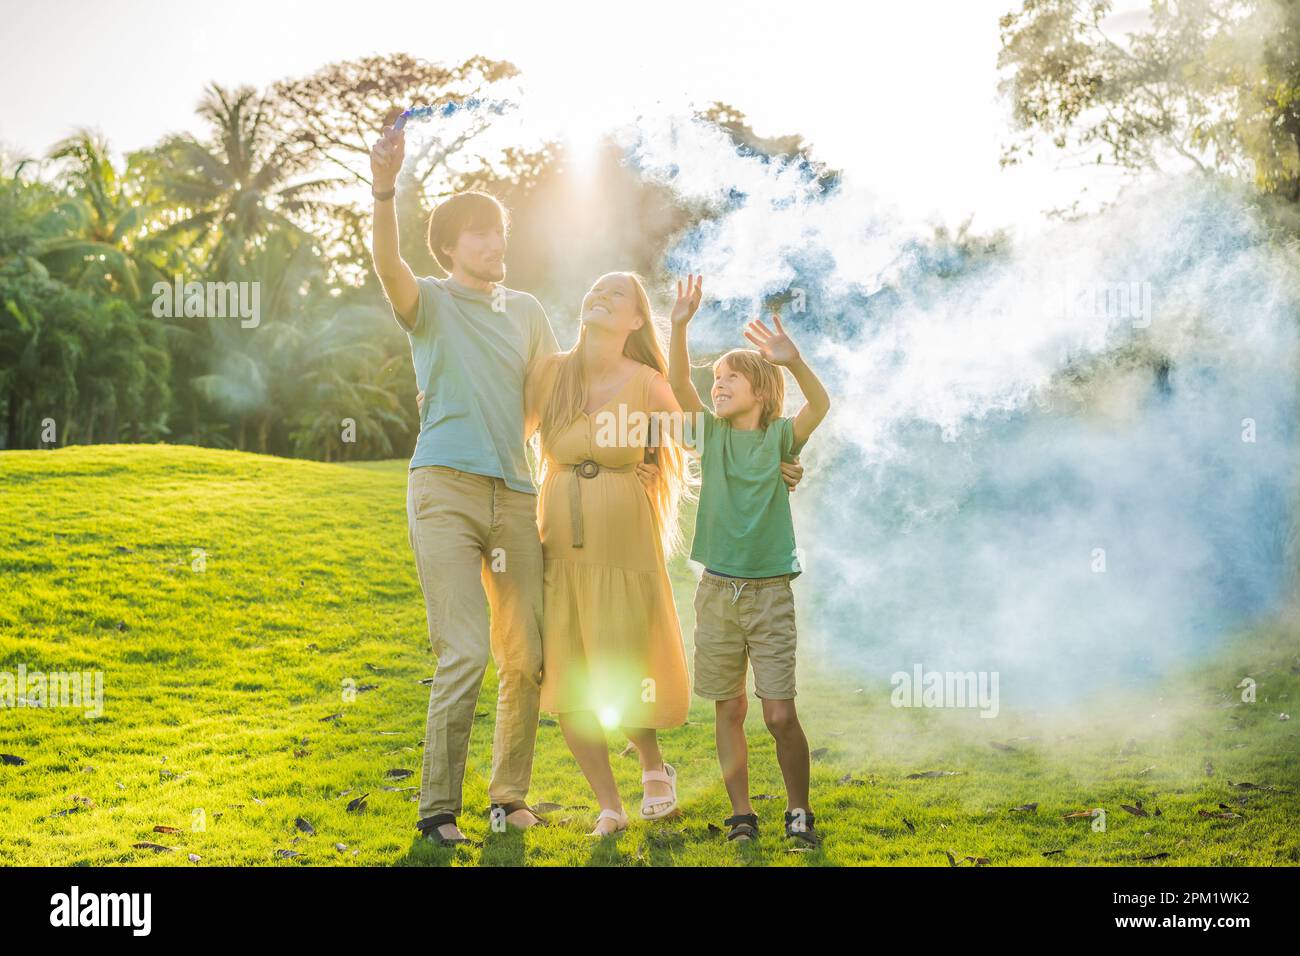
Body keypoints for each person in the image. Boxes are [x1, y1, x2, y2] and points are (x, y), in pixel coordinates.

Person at [524, 272, 805, 835]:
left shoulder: (647, 380)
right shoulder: (548, 372)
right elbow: (506, 431)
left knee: (621, 653)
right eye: (595, 287)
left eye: (617, 293)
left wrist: (771, 465)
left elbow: (706, 431)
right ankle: (609, 804)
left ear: (635, 321)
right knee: (567, 665)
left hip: (624, 538)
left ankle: (654, 766)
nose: (599, 293)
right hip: (557, 535)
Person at [369, 122, 566, 846]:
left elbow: (551, 399)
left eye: (498, 232)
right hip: (444, 491)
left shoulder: (528, 312)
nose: (493, 243)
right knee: (465, 651)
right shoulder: (427, 301)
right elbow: (385, 259)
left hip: (514, 496)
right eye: (477, 235)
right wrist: (385, 185)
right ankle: (437, 809)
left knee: (525, 655)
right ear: (450, 247)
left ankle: (508, 796)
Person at [667, 275, 832, 846]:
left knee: (779, 715)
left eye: (730, 377)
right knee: (729, 708)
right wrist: (679, 325)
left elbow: (821, 404)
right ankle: (742, 815)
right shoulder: (708, 437)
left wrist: (793, 361)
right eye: (715, 380)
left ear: (761, 390)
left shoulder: (782, 440)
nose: (717, 386)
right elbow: (675, 386)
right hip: (716, 593)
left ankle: (798, 812)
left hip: (768, 596)